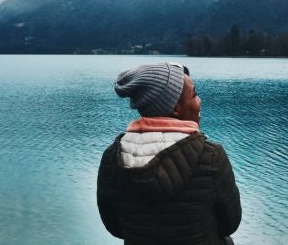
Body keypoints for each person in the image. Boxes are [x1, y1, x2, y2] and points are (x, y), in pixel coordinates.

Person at [97, 62, 241, 245]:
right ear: (174, 108)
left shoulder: (112, 158)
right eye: (195, 94)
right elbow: (230, 224)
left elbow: (115, 227)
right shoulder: (211, 156)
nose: (199, 101)